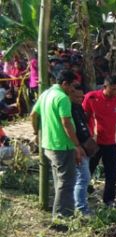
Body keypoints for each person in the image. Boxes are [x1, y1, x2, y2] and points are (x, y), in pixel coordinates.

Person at [30, 70, 85, 221]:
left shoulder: (46, 94)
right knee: (67, 182)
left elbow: (33, 115)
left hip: (49, 144)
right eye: (72, 86)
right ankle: (62, 216)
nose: (73, 90)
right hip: (62, 145)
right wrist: (77, 145)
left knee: (59, 181)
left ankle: (60, 212)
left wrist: (36, 132)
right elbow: (66, 123)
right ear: (64, 84)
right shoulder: (62, 98)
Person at [83, 75, 116, 208]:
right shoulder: (91, 98)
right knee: (88, 169)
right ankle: (82, 195)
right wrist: (84, 139)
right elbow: (84, 119)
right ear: (105, 87)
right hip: (95, 142)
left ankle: (109, 200)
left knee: (112, 172)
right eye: (113, 89)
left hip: (111, 143)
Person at [69, 85, 98, 216]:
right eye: (77, 96)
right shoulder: (68, 108)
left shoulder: (79, 107)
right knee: (83, 178)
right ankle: (81, 209)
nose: (80, 99)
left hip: (86, 145)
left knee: (82, 178)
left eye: (82, 97)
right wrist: (77, 147)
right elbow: (69, 129)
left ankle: (79, 205)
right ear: (70, 94)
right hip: (78, 147)